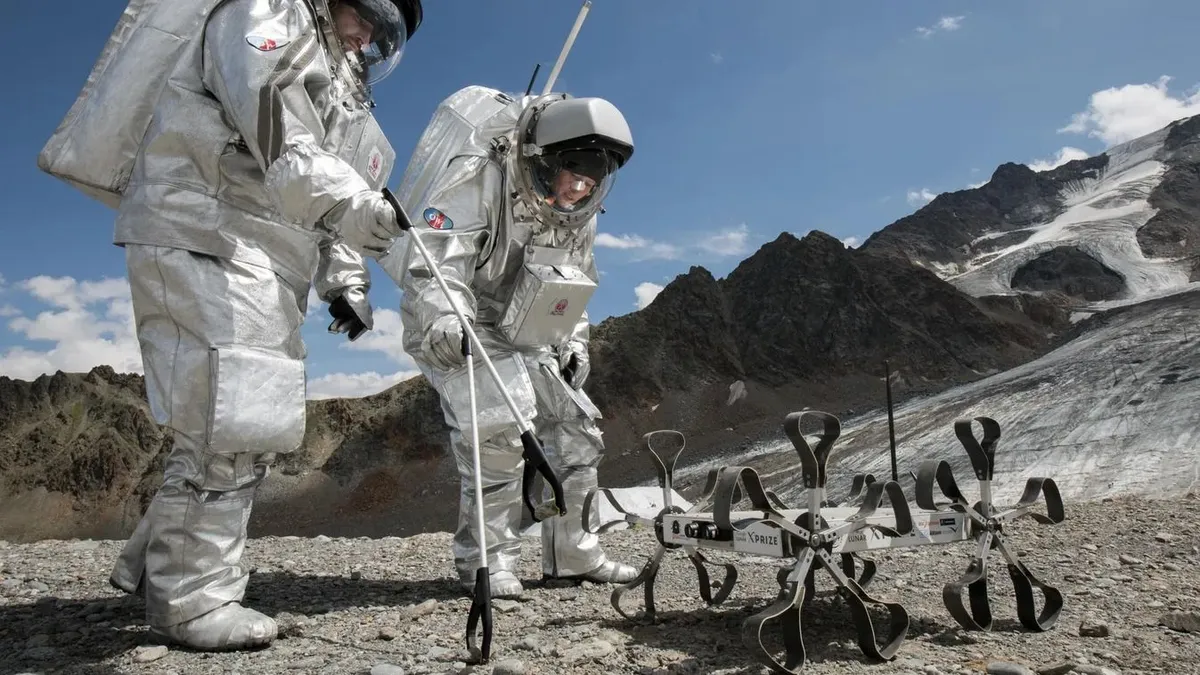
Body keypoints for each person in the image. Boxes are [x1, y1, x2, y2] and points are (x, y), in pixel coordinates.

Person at [98, 0, 424, 651]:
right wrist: (366, 211)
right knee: (236, 415)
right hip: (204, 225)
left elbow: (327, 190)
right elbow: (291, 151)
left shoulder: (339, 84)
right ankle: (192, 599)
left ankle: (152, 568)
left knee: (235, 413)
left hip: (259, 250)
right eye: (365, 15)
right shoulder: (262, 16)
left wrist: (348, 284)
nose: (366, 36)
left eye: (383, 33)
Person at [395, 92, 637, 598]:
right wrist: (444, 314)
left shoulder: (580, 214)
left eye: (591, 182)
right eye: (571, 174)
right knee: (500, 429)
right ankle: (489, 560)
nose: (577, 189)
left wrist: (573, 343)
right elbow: (440, 253)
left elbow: (572, 282)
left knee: (576, 429)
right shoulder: (483, 175)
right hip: (461, 316)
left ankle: (573, 553)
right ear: (542, 160)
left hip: (526, 327)